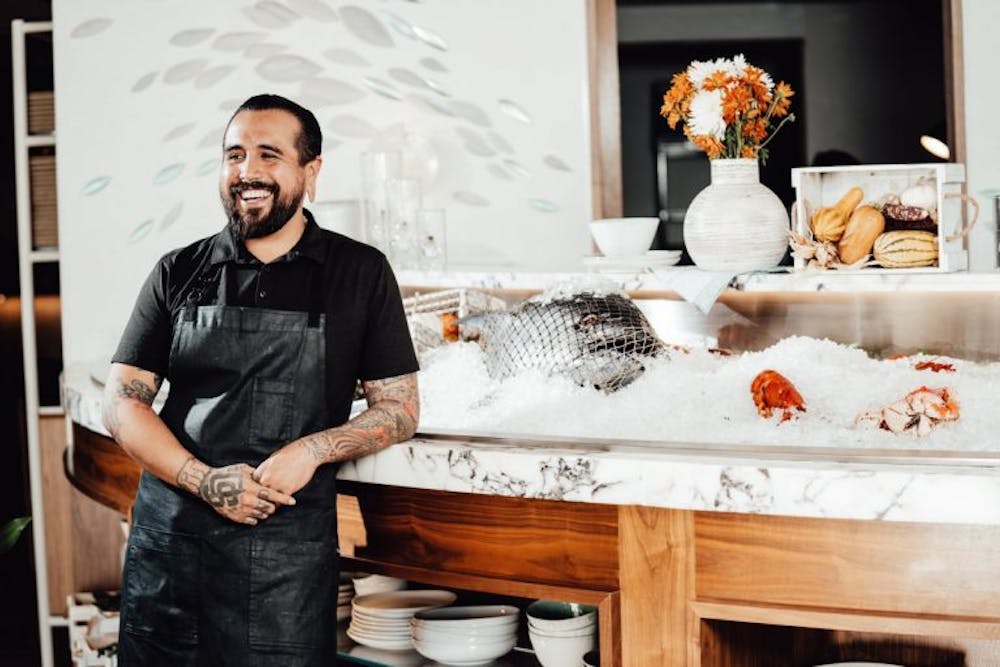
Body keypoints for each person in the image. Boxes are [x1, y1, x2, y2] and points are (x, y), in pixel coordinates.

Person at [102, 93, 420, 665]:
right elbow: (123, 404)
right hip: (173, 546)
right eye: (234, 155)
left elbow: (399, 408)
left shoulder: (360, 272)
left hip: (284, 556)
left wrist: (312, 450)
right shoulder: (179, 271)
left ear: (310, 170)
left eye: (268, 155)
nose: (247, 171)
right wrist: (204, 481)